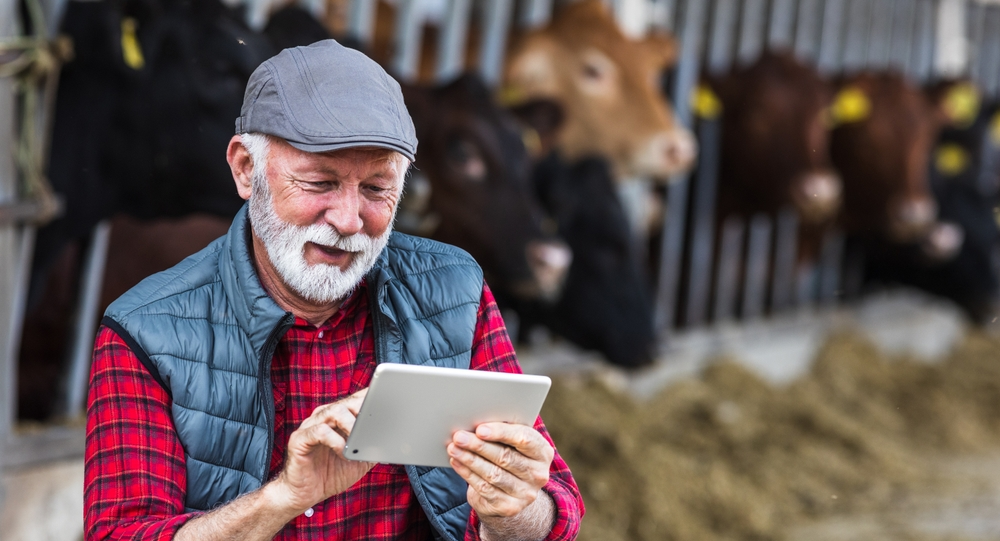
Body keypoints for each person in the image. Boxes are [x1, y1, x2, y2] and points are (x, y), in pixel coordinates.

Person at [84, 39, 584, 541]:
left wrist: (513, 511)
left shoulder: (453, 290)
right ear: (245, 169)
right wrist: (283, 498)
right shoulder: (146, 330)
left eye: (376, 189)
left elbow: (554, 512)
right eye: (320, 183)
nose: (348, 222)